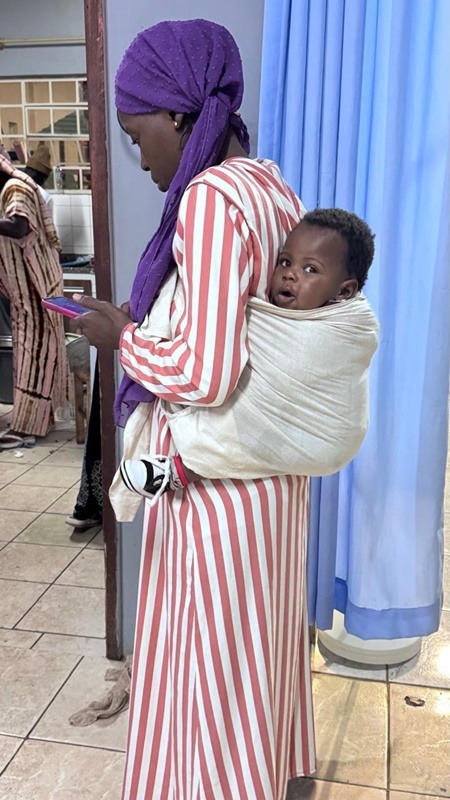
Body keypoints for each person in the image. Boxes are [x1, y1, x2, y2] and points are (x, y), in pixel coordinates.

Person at [72, 19, 317, 799]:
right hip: (271, 477)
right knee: (256, 657)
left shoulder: (209, 200)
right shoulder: (270, 186)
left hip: (216, 489)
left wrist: (121, 340)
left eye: (135, 135)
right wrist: (142, 327)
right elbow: (241, 333)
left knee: (209, 672)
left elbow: (207, 373)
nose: (139, 157)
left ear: (176, 113)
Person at [118, 208, 377, 503]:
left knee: (237, 424)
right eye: (285, 261)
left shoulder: (348, 329)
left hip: (330, 439)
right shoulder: (274, 316)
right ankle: (180, 470)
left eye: (310, 270)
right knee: (247, 424)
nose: (290, 274)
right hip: (286, 436)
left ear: (345, 292)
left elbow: (230, 334)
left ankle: (179, 470)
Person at [0, 154, 68, 448]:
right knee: (37, 355)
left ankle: (25, 428)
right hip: (28, 291)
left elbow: (19, 226)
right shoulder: (12, 187)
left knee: (33, 356)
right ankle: (40, 420)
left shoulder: (15, 188)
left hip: (35, 291)